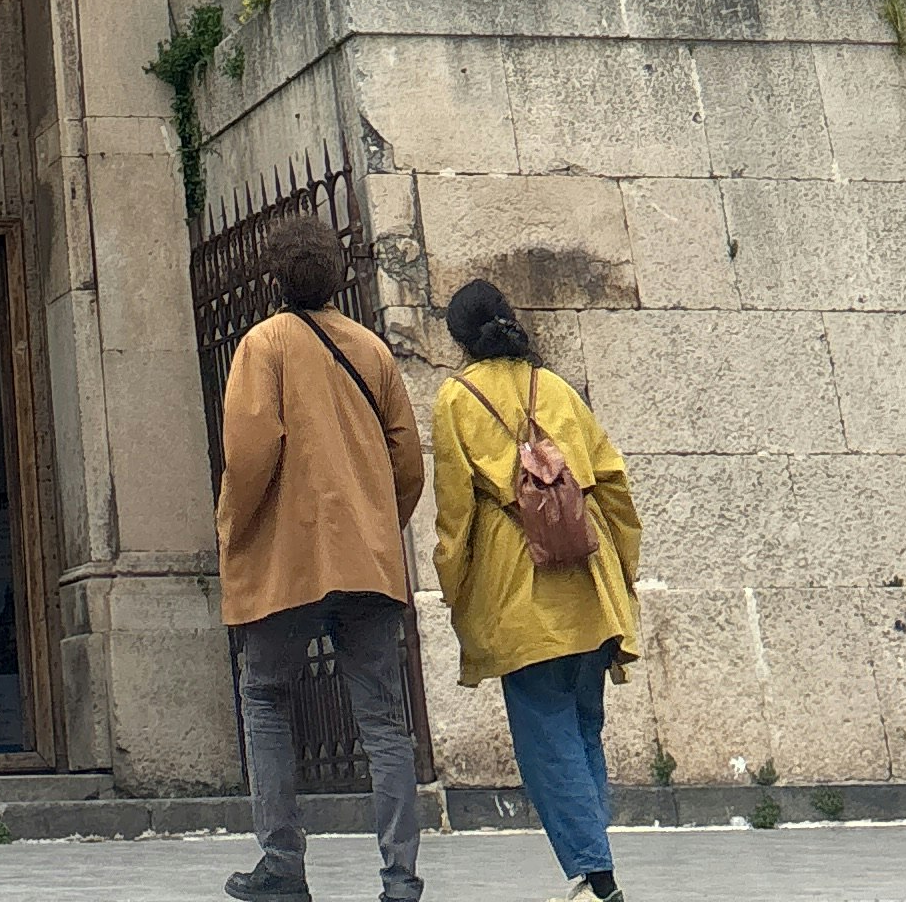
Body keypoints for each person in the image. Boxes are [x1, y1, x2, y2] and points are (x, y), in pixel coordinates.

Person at [214, 219, 428, 902]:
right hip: (367, 561)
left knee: (267, 698)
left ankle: (283, 865)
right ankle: (400, 879)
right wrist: (374, 523)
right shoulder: (372, 350)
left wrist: (236, 530)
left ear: (277, 277)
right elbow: (408, 464)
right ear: (340, 274)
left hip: (291, 558)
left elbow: (250, 456)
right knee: (385, 725)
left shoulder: (264, 345)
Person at [429, 275, 644, 902]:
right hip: (588, 577)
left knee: (547, 738)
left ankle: (597, 877)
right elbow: (614, 485)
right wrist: (621, 573)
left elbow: (455, 516)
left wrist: (455, 587)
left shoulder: (454, 400)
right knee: (582, 730)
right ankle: (593, 868)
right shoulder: (555, 389)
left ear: (460, 339)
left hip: (520, 590)